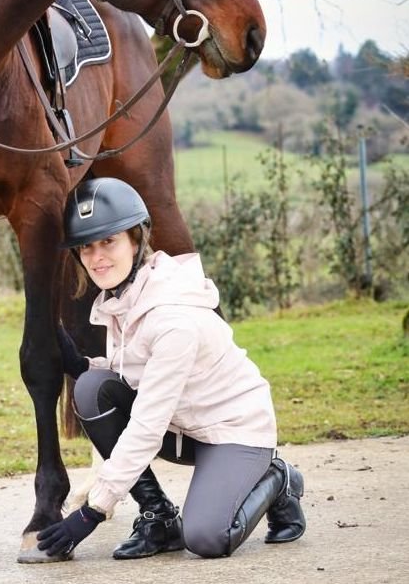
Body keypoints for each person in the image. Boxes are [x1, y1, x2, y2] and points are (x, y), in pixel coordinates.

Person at [37, 177, 305, 561]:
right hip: (183, 427)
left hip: (234, 431)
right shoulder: (124, 298)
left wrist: (91, 511)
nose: (96, 258)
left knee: (207, 538)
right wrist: (80, 365)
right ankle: (158, 519)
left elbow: (147, 423)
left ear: (135, 239)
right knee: (91, 387)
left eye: (108, 241)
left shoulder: (171, 319)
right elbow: (134, 375)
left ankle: (278, 478)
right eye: (86, 247)